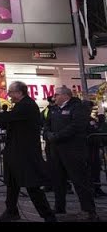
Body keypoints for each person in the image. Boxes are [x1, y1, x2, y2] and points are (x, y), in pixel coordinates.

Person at [0, 81, 56, 222]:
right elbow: (7, 122)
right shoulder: (20, 106)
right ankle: (11, 211)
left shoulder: (27, 105)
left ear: (19, 92)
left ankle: (48, 216)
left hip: (25, 153)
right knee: (12, 184)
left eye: (10, 92)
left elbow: (8, 118)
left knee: (31, 185)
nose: (8, 94)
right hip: (15, 151)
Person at [43, 86, 99, 221]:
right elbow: (46, 124)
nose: (54, 97)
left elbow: (76, 126)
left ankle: (88, 210)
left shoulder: (77, 107)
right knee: (58, 180)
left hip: (73, 150)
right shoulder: (53, 109)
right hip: (56, 151)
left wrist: (57, 136)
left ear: (65, 95)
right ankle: (59, 206)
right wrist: (48, 134)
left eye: (56, 95)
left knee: (80, 181)